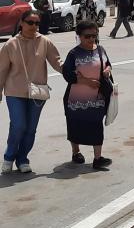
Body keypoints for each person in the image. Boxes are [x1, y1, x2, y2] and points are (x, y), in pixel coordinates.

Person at [0, 9, 63, 174]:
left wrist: (74, 71)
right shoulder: (11, 44)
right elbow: (2, 70)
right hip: (14, 91)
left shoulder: (44, 42)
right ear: (21, 23)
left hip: (37, 92)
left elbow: (57, 62)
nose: (34, 26)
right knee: (18, 125)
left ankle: (22, 159)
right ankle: (9, 157)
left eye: (37, 23)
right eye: (30, 22)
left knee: (31, 128)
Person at [62, 20, 113, 170]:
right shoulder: (74, 54)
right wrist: (86, 81)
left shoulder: (101, 50)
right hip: (75, 99)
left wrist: (108, 70)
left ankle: (98, 158)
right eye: (87, 36)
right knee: (75, 125)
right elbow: (67, 74)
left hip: (97, 99)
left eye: (94, 36)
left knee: (96, 126)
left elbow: (108, 64)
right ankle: (76, 152)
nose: (91, 39)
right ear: (79, 36)